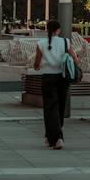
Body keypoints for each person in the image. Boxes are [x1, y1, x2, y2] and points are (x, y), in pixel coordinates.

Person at [31, 20, 74, 150]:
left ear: (47, 30)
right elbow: (75, 58)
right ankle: (54, 136)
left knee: (50, 108)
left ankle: (56, 138)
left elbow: (37, 63)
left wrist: (38, 67)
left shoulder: (41, 43)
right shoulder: (65, 42)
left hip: (48, 78)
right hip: (63, 77)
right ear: (58, 30)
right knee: (60, 106)